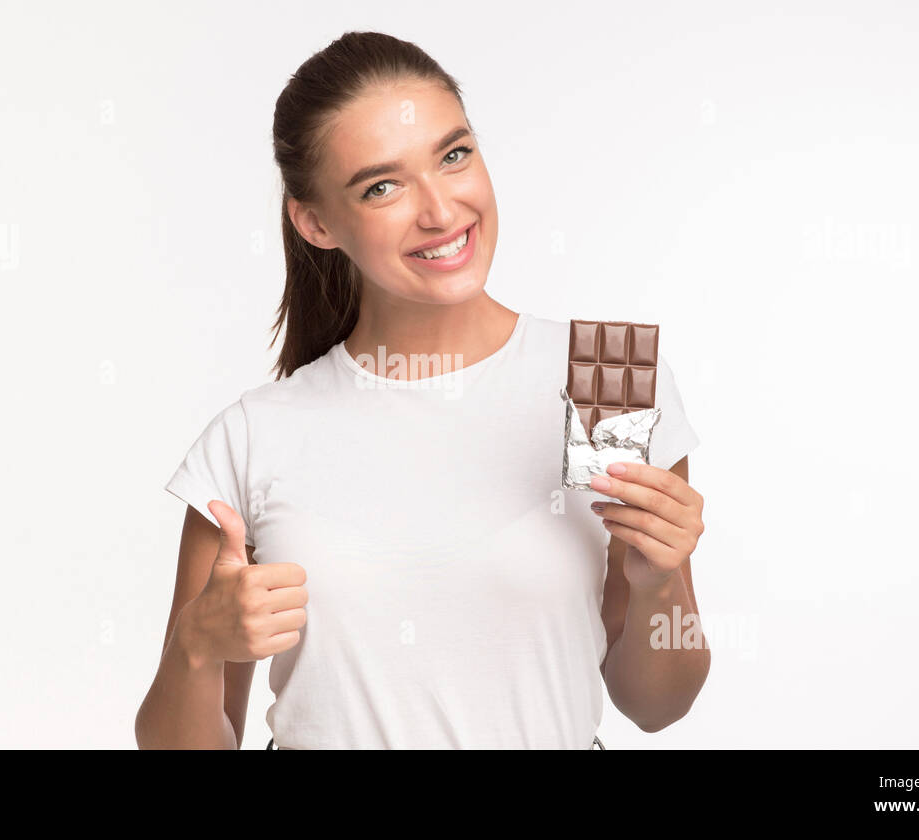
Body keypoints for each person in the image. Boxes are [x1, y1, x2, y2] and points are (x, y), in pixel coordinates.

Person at [134, 31, 710, 750]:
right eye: (383, 186)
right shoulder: (253, 437)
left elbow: (657, 707)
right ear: (315, 221)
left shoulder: (607, 382)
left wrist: (661, 583)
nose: (441, 211)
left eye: (454, 154)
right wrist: (196, 646)